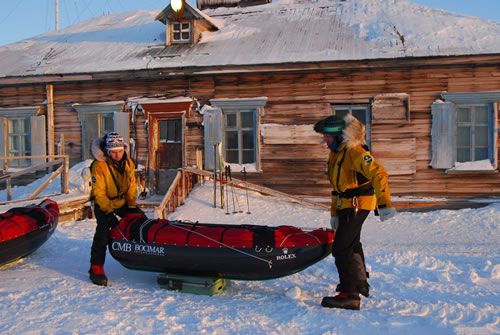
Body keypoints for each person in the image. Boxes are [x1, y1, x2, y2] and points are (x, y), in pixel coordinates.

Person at [313, 114, 397, 310]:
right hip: (346, 205)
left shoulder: (355, 152)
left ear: (340, 137)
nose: (325, 141)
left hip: (359, 204)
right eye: (324, 136)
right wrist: (335, 212)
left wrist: (385, 205)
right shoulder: (336, 153)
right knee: (351, 243)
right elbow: (338, 187)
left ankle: (349, 294)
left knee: (341, 247)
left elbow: (379, 174)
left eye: (328, 137)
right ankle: (359, 283)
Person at [88, 132, 143, 286]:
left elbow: (131, 186)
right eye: (113, 152)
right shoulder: (99, 166)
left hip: (122, 201)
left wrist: (132, 206)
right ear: (107, 151)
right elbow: (99, 193)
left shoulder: (127, 162)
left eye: (119, 151)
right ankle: (95, 268)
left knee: (141, 221)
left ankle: (142, 256)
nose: (117, 155)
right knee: (103, 232)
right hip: (103, 203)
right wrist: (108, 212)